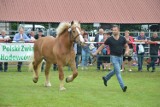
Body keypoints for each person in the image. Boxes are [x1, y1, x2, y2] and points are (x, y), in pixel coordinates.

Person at [93, 25, 129, 92]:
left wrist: (127, 51)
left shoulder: (122, 38)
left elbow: (127, 46)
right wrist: (96, 52)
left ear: (118, 30)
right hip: (113, 57)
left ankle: (106, 78)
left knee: (115, 70)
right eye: (113, 30)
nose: (114, 31)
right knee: (118, 72)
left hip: (120, 57)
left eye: (115, 30)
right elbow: (102, 46)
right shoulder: (109, 39)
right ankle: (123, 86)